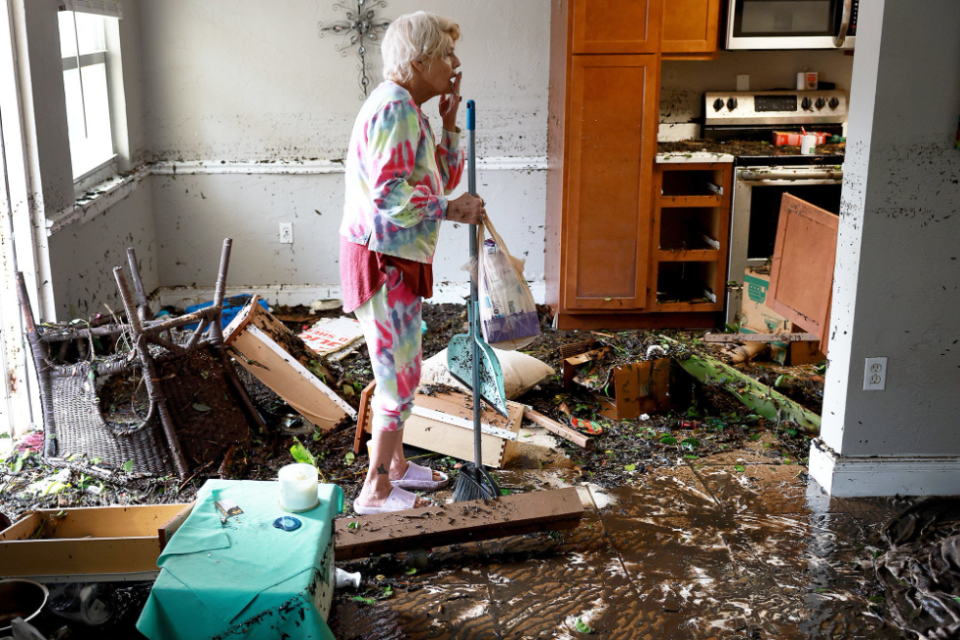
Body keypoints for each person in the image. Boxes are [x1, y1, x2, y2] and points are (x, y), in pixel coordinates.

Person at [339, 12, 485, 514]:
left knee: (402, 372)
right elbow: (388, 196)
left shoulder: (409, 108)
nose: (456, 62)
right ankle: (375, 491)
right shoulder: (394, 108)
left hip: (396, 258)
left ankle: (397, 469)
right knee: (397, 379)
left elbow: (436, 182)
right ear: (419, 61)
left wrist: (449, 129)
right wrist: (450, 209)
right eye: (447, 54)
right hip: (384, 261)